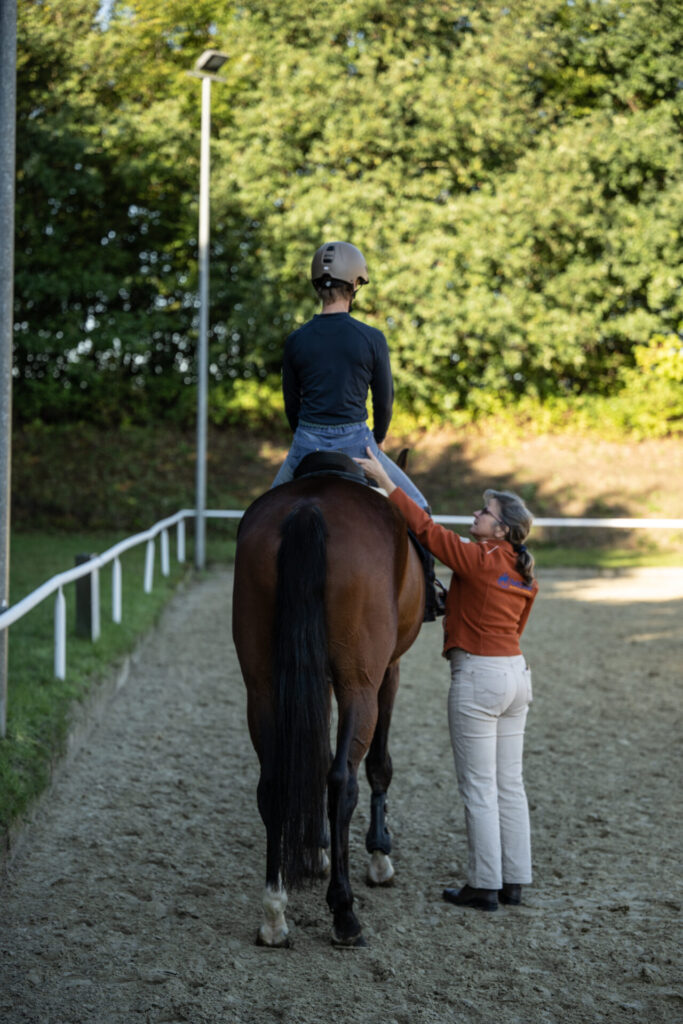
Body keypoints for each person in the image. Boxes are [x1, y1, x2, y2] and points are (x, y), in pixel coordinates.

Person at [355, 447, 538, 912]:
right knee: (509, 784)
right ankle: (514, 879)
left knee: (478, 787)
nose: (476, 514)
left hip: (479, 677)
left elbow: (426, 530)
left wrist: (386, 480)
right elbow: (515, 630)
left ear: (500, 529)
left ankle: (483, 886)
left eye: (485, 511)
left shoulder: (479, 558)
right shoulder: (521, 571)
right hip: (516, 674)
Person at [271, 240, 429, 510]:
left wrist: (306, 436)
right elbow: (384, 402)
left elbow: (291, 404)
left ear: (318, 285)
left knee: (265, 511)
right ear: (355, 284)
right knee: (418, 505)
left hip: (307, 442)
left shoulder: (296, 340)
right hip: (357, 443)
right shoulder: (372, 338)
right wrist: (377, 439)